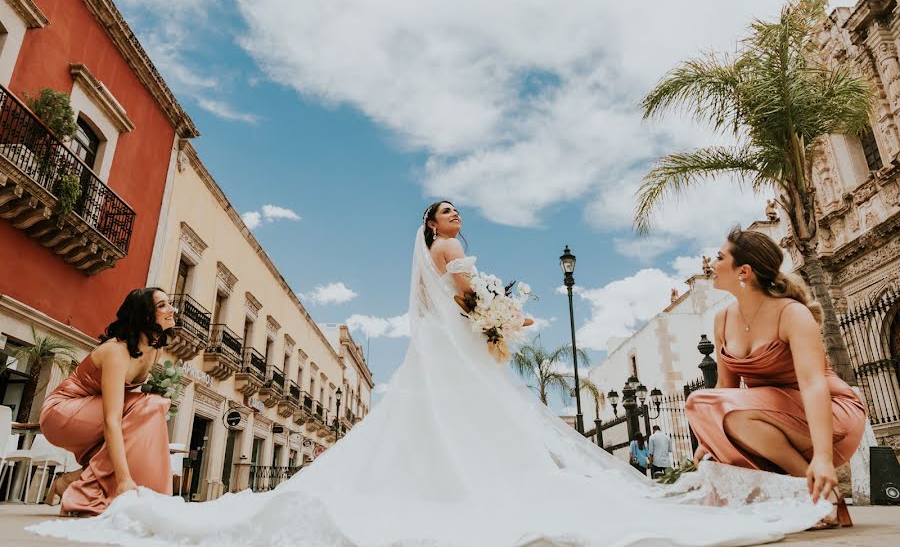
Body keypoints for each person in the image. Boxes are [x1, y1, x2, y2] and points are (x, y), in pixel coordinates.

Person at [31, 205, 834, 546]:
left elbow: (467, 306)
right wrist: (502, 313)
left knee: (443, 426)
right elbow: (469, 296)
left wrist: (492, 316)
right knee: (478, 429)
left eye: (455, 213)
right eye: (444, 213)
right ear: (431, 227)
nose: (454, 220)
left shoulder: (442, 256)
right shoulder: (449, 256)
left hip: (444, 356)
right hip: (457, 350)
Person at [685, 226, 866, 530]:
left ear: (744, 271)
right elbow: (726, 389)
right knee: (703, 404)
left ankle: (819, 490)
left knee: (702, 401)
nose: (710, 266)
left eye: (719, 257)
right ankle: (810, 491)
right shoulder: (723, 319)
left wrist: (823, 457)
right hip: (764, 417)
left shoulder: (791, 313)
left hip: (828, 413)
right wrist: (709, 438)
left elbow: (813, 384)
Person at [38, 288, 176, 516]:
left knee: (149, 411)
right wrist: (123, 481)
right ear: (144, 315)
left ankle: (71, 483)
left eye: (168, 303)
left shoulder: (154, 351)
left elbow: (127, 418)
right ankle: (86, 493)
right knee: (149, 405)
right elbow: (112, 419)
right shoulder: (116, 351)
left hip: (92, 414)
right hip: (61, 412)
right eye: (162, 305)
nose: (172, 309)